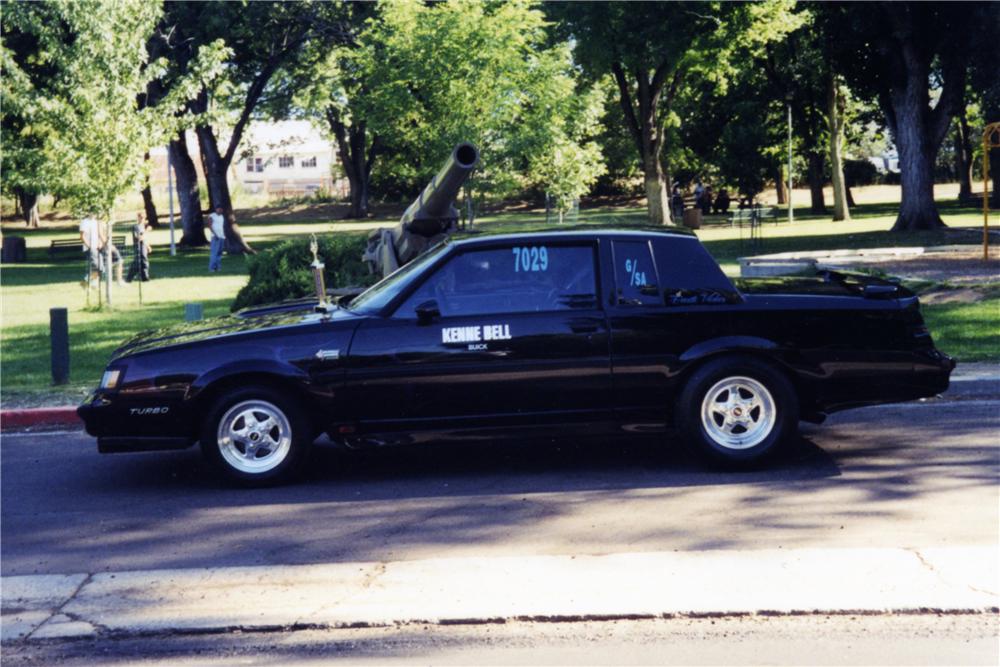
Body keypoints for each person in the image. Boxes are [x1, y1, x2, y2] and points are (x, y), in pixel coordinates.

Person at [127, 212, 152, 282]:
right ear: (137, 218)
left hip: (143, 246)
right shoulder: (136, 227)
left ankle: (144, 278)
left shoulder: (143, 226)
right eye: (140, 217)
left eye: (143, 218)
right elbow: (138, 238)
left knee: (143, 262)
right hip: (138, 246)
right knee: (138, 262)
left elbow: (144, 238)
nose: (141, 219)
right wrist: (146, 231)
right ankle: (129, 278)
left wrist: (148, 246)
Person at [79, 213, 102, 286]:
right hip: (89, 248)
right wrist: (89, 246)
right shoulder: (84, 222)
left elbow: (98, 235)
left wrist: (100, 243)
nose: (94, 213)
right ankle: (88, 282)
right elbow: (82, 237)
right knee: (98, 266)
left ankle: (88, 283)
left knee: (100, 267)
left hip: (96, 247)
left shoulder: (96, 222)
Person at [206, 206, 225, 272]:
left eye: (221, 209)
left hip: (222, 236)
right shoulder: (212, 216)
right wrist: (215, 234)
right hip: (215, 236)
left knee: (219, 253)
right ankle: (211, 268)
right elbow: (209, 226)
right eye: (219, 209)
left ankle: (217, 267)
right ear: (216, 209)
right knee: (214, 253)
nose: (220, 211)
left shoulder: (222, 216)